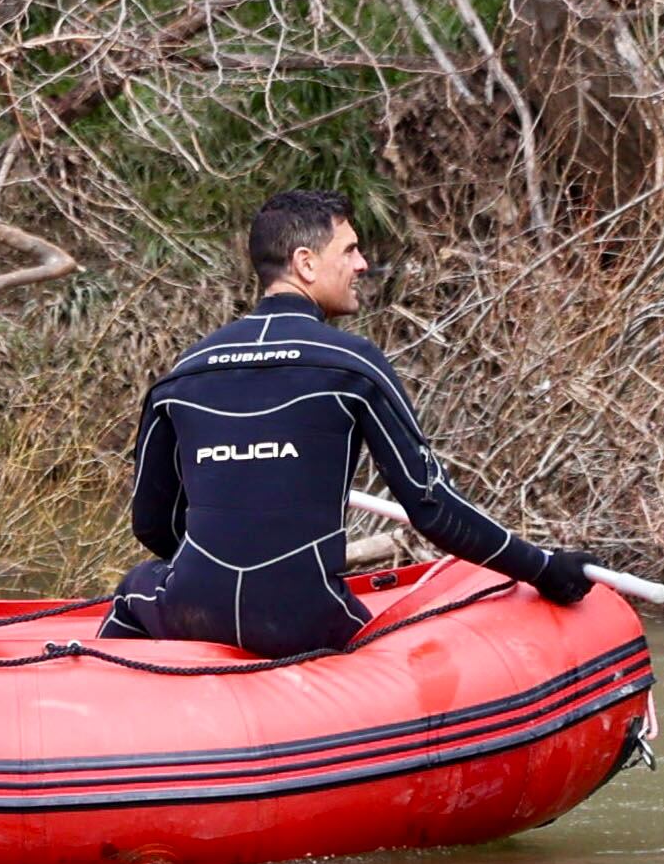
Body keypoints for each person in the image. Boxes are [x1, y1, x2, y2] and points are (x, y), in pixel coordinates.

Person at [103, 190, 595, 659]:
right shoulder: (352, 363)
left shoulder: (187, 368)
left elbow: (152, 522)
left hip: (193, 613)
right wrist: (545, 568)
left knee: (135, 588)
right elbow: (433, 509)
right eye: (351, 249)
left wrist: (217, 572)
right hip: (306, 622)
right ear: (306, 263)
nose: (362, 264)